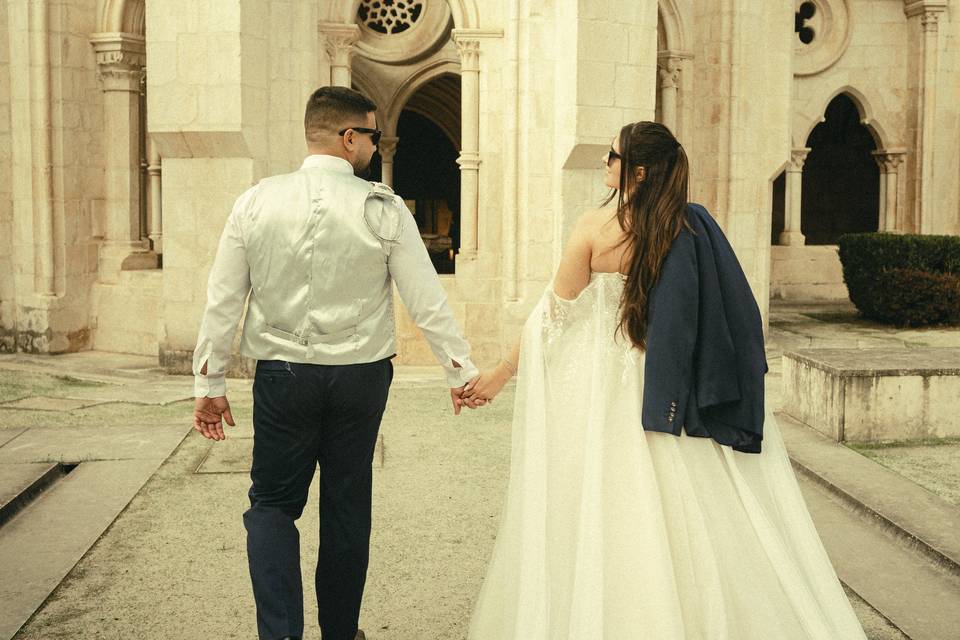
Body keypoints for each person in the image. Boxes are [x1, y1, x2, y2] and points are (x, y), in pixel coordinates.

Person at [463, 122, 869, 639]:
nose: (603, 163)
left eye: (611, 156)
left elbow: (553, 316)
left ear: (635, 170)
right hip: (670, 380)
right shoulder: (690, 226)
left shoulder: (594, 229)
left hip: (605, 383)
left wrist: (500, 373)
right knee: (696, 504)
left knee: (607, 502)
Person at [190, 86, 482, 640]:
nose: (376, 146)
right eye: (372, 136)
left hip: (283, 374)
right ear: (350, 138)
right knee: (347, 506)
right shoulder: (384, 206)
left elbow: (223, 298)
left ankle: (281, 635)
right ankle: (341, 634)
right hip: (361, 376)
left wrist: (210, 382)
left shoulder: (256, 200)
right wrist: (459, 372)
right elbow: (426, 299)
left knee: (273, 505)